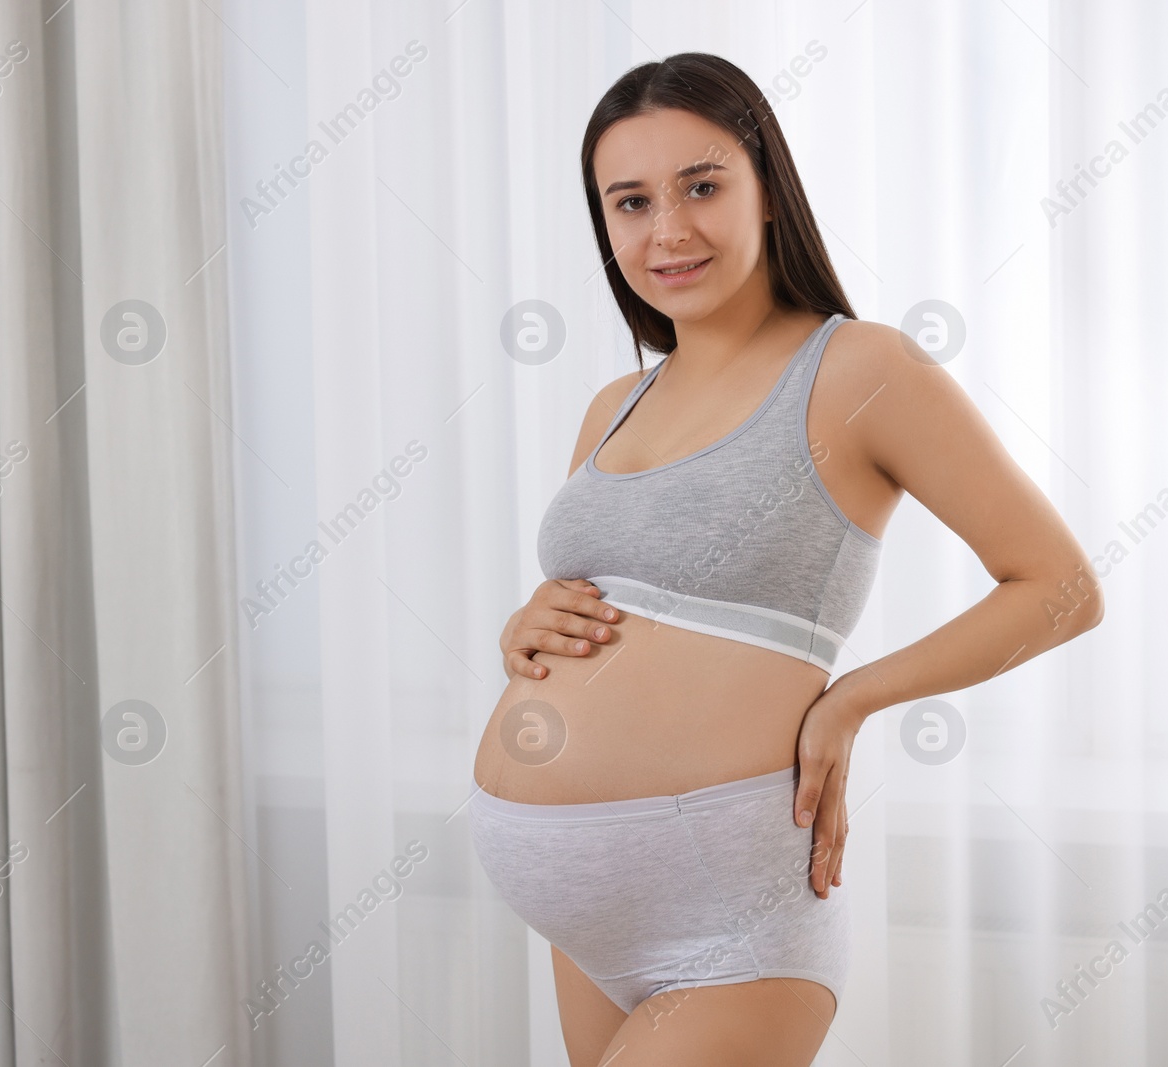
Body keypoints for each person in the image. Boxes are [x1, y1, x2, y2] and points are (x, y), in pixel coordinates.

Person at [469, 51, 1103, 1067]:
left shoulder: (860, 368)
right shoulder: (611, 404)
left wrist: (848, 699)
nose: (666, 229)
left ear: (769, 192)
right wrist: (523, 628)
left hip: (727, 917)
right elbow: (624, 598)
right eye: (629, 203)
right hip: (583, 921)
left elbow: (1061, 588)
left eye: (702, 186)